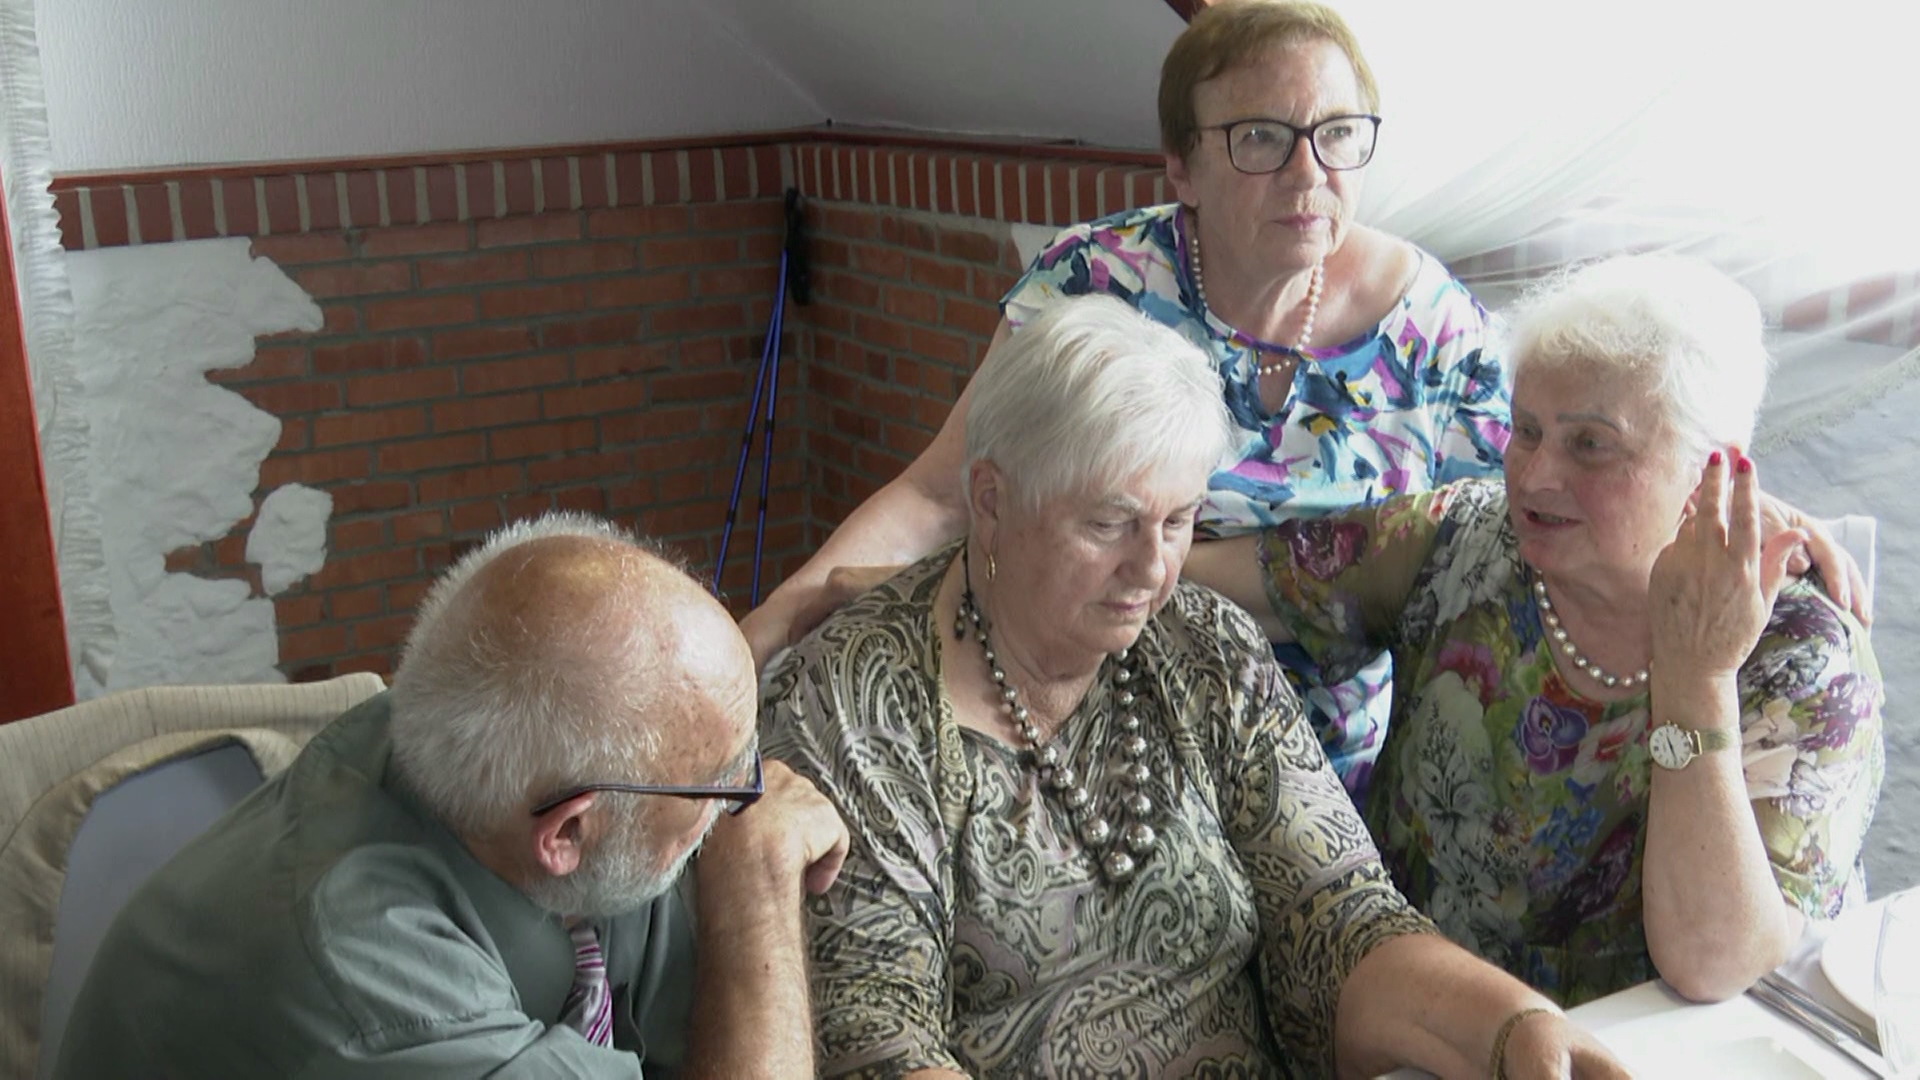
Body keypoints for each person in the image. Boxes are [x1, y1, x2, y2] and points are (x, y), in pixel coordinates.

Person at [741, 0, 1866, 800]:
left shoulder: (1428, 323)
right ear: (1180, 166)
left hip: (1335, 778)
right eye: (1260, 139)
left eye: (1335, 136)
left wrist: (1720, 504)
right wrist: (765, 629)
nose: (1307, 172)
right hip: (1094, 737)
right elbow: (942, 495)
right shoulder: (1096, 284)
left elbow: (1538, 498)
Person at [760, 296, 1628, 1078]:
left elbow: (1339, 916)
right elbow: (878, 1043)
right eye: (1110, 523)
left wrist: (1511, 1028)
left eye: (1177, 521)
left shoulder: (1203, 647)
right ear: (991, 500)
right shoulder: (856, 704)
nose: (1152, 569)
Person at [1185, 254, 1885, 1006]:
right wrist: (1114, 538)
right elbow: (1226, 579)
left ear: (1708, 470)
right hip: (1420, 1022)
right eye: (1526, 430)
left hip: (1644, 1049)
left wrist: (1698, 678)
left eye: (1590, 444)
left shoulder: (1802, 657)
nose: (1535, 475)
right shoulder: (1466, 540)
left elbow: (1715, 963)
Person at [55, 515, 850, 1078]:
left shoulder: (502, 768)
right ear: (566, 834)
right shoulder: (377, 986)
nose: (746, 800)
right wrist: (756, 887)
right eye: (721, 781)